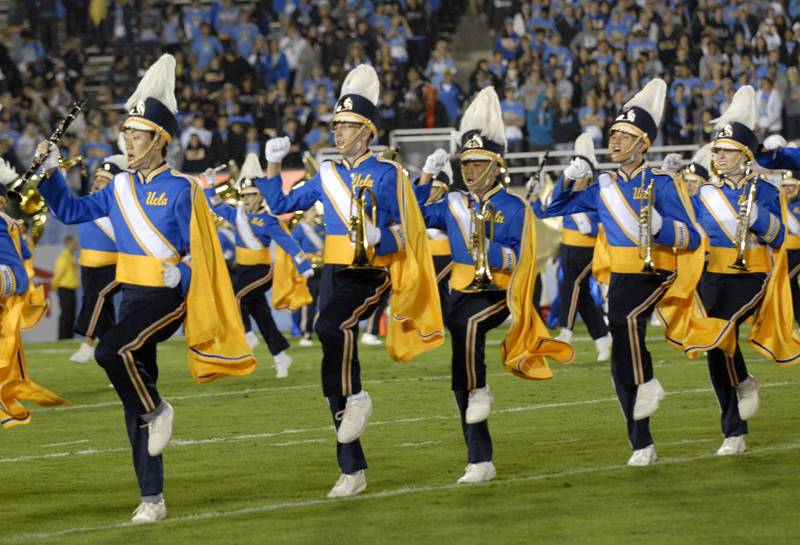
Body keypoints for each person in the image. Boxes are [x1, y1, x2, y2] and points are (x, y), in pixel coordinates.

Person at [36, 54, 255, 523]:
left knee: (111, 353)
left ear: (159, 140)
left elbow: (205, 251)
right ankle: (152, 497)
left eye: (136, 135)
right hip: (131, 297)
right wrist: (52, 173)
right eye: (126, 134)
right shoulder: (116, 188)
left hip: (165, 298)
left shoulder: (183, 188)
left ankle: (159, 410)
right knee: (132, 398)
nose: (127, 142)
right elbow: (72, 212)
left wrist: (187, 275)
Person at [257, 65, 444, 498]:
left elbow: (410, 228)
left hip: (370, 269)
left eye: (344, 125)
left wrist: (384, 236)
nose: (336, 132)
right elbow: (283, 203)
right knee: (334, 361)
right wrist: (272, 162)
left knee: (328, 328)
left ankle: (358, 398)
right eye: (335, 125)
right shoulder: (325, 173)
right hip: (331, 270)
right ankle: (352, 468)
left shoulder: (388, 174)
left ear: (365, 131)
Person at [413, 87, 575, 484]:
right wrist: (427, 176)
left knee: (467, 330)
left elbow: (524, 257)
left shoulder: (514, 206)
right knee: (459, 352)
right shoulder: (453, 202)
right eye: (465, 163)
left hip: (502, 292)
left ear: (496, 165)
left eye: (478, 163)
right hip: (463, 291)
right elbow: (413, 212)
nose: (468, 171)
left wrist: (489, 250)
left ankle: (481, 390)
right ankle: (479, 458)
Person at [546, 79, 703, 466]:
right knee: (620, 359)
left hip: (657, 269)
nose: (614, 141)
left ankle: (649, 383)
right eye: (613, 134)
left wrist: (659, 229)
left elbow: (693, 237)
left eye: (624, 135)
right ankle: (641, 443)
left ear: (642, 143)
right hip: (621, 275)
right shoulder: (603, 186)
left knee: (624, 318)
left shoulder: (663, 182)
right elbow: (551, 208)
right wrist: (569, 176)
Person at [683, 87, 800, 455]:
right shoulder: (703, 194)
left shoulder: (765, 190)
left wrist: (759, 220)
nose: (718, 154)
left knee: (721, 331)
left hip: (753, 274)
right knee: (714, 346)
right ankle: (734, 429)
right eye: (716, 149)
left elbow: (781, 235)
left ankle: (742, 396)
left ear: (746, 155)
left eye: (726, 149)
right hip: (713, 276)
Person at [203, 153, 313, 378]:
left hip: (262, 271)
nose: (246, 199)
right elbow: (215, 206)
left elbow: (288, 243)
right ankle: (281, 357)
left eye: (251, 195)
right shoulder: (237, 215)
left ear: (260, 196)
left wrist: (303, 265)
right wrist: (210, 183)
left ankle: (247, 334)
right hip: (243, 270)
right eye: (243, 195)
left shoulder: (269, 221)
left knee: (235, 297)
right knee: (264, 318)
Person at [530, 134, 612, 362]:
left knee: (572, 284)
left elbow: (610, 223)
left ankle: (565, 331)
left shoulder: (597, 194)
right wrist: (536, 194)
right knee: (581, 294)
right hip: (567, 247)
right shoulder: (568, 196)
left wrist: (592, 227)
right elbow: (544, 212)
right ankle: (602, 337)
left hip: (587, 250)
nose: (577, 180)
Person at [0, 158, 68, 426]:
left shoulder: (5, 223)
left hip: (9, 279)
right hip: (14, 283)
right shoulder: (10, 223)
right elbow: (26, 255)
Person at [69, 155, 127, 364]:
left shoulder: (119, 207)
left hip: (116, 264)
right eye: (97, 177)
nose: (97, 181)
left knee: (97, 296)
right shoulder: (86, 203)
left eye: (104, 178)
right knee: (103, 317)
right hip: (89, 265)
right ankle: (117, 363)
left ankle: (87, 343)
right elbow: (64, 210)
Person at [290, 207, 324, 347]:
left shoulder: (321, 227)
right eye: (311, 211)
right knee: (310, 301)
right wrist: (303, 261)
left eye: (314, 210)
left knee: (325, 300)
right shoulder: (300, 228)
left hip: (324, 266)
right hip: (310, 269)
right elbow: (292, 245)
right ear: (304, 213)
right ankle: (307, 332)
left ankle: (322, 330)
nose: (314, 213)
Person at [51, 235, 79, 340]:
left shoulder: (70, 257)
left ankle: (69, 336)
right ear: (68, 244)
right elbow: (58, 273)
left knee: (71, 313)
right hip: (64, 288)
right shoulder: (64, 257)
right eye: (74, 243)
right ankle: (63, 336)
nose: (76, 245)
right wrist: (54, 285)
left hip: (70, 288)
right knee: (66, 313)